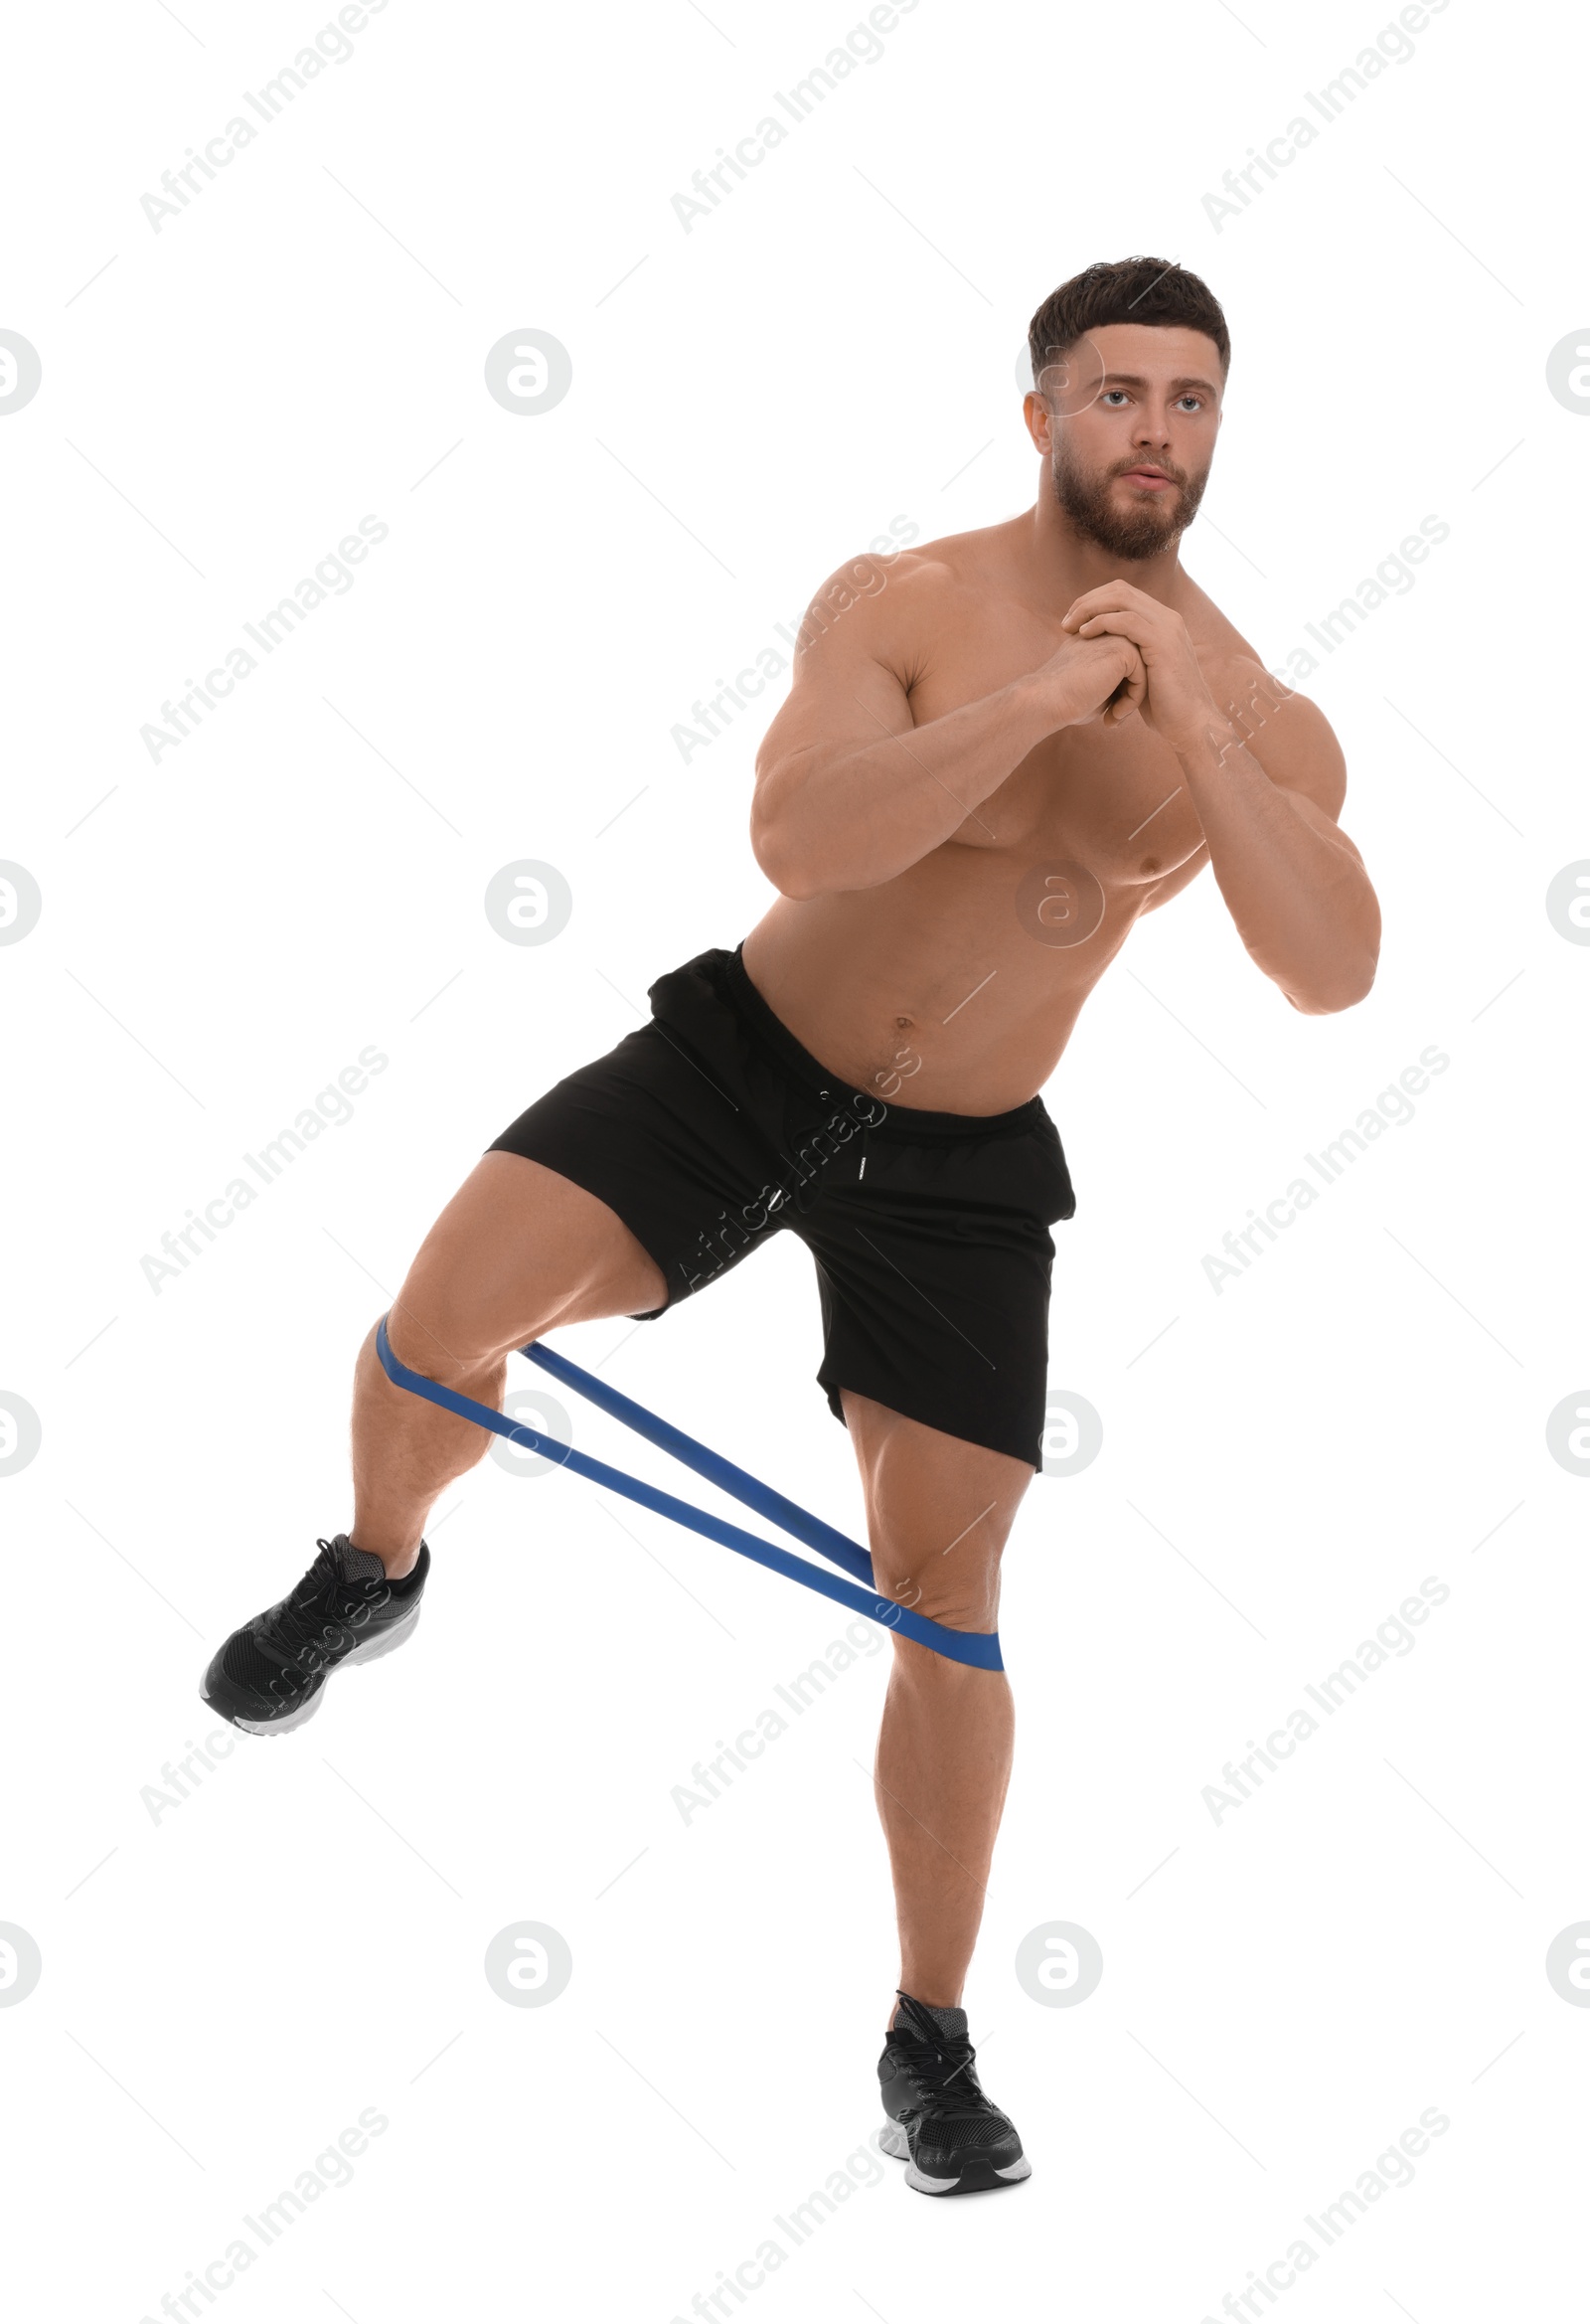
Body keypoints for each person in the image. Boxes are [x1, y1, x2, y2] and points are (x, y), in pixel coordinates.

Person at [202, 255, 1379, 2196]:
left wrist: (1205, 732)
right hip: (743, 1066)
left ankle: (927, 2040)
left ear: (1215, 429)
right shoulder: (905, 605)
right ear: (1039, 416)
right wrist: (1030, 703)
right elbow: (803, 841)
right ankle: (377, 1565)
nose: (1148, 432)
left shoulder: (1263, 712)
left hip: (965, 1165)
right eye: (1111, 394)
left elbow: (1325, 968)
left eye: (1184, 400)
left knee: (950, 1617)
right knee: (430, 1325)